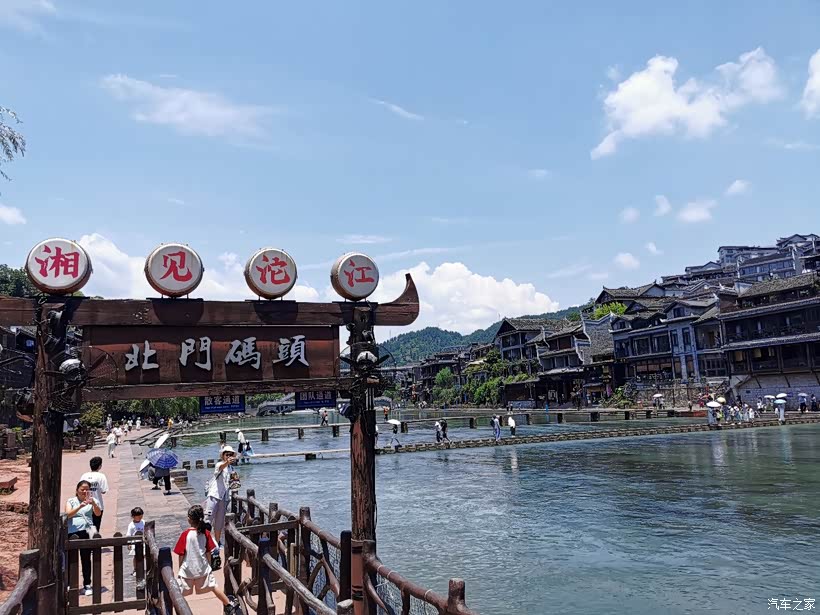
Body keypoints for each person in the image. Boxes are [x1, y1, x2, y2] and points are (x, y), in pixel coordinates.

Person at [173, 505, 237, 614]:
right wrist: (209, 565)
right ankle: (228, 604)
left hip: (188, 569)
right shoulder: (205, 533)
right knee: (213, 586)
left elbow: (181, 555)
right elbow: (208, 552)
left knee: (177, 594)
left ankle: (177, 611)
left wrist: (180, 569)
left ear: (189, 519)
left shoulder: (185, 535)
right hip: (202, 568)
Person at [66, 480, 102, 596]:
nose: (85, 491)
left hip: (87, 531)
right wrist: (80, 506)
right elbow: (68, 514)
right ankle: (70, 584)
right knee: (71, 559)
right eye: (82, 489)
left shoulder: (92, 500)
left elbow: (98, 514)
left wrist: (94, 504)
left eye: (87, 489)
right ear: (77, 490)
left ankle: (87, 584)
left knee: (86, 558)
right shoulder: (71, 501)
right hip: (73, 532)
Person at [204, 446, 237, 553]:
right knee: (207, 520)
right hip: (214, 496)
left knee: (219, 523)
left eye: (231, 455)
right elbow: (221, 467)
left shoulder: (232, 469)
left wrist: (235, 480)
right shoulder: (219, 464)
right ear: (223, 455)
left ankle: (217, 543)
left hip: (224, 498)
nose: (229, 456)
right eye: (227, 454)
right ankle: (204, 543)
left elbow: (234, 483)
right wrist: (227, 462)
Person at [80, 456, 109, 532]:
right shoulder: (101, 476)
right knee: (96, 527)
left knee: (86, 527)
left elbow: (79, 489)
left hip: (85, 504)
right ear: (100, 466)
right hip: (97, 505)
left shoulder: (84, 475)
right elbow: (103, 491)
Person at [126, 507, 145, 583]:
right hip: (135, 543)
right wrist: (129, 543)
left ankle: (143, 567)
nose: (140, 517)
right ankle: (135, 568)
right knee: (136, 556)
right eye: (138, 516)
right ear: (133, 516)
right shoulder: (131, 525)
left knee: (144, 555)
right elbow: (129, 534)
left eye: (141, 515)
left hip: (142, 542)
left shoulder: (143, 522)